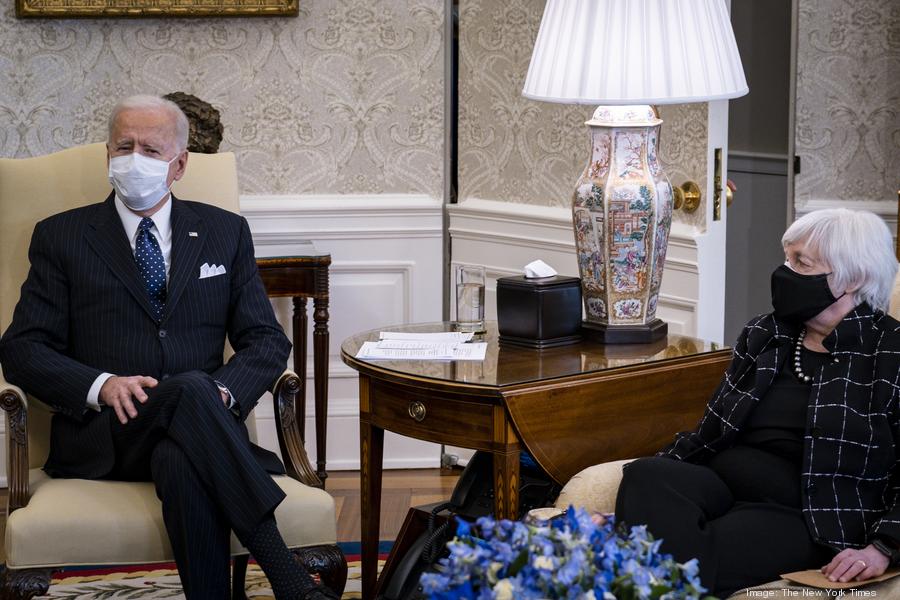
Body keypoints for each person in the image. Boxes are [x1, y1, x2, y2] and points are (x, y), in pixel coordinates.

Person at [0, 95, 337, 600]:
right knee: (192, 390)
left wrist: (224, 393)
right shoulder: (61, 236)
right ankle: (287, 577)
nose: (134, 159)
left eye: (151, 150)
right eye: (124, 147)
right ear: (107, 155)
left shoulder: (224, 232)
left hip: (198, 428)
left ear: (179, 165)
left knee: (182, 452)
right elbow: (22, 348)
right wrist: (101, 386)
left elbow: (266, 340)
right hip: (106, 434)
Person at [615, 208, 900, 597]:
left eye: (801, 262)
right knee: (645, 475)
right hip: (723, 482)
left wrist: (884, 547)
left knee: (695, 550)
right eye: (787, 257)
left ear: (853, 278)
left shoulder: (890, 352)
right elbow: (710, 429)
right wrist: (636, 498)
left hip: (809, 514)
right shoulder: (765, 333)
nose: (784, 271)